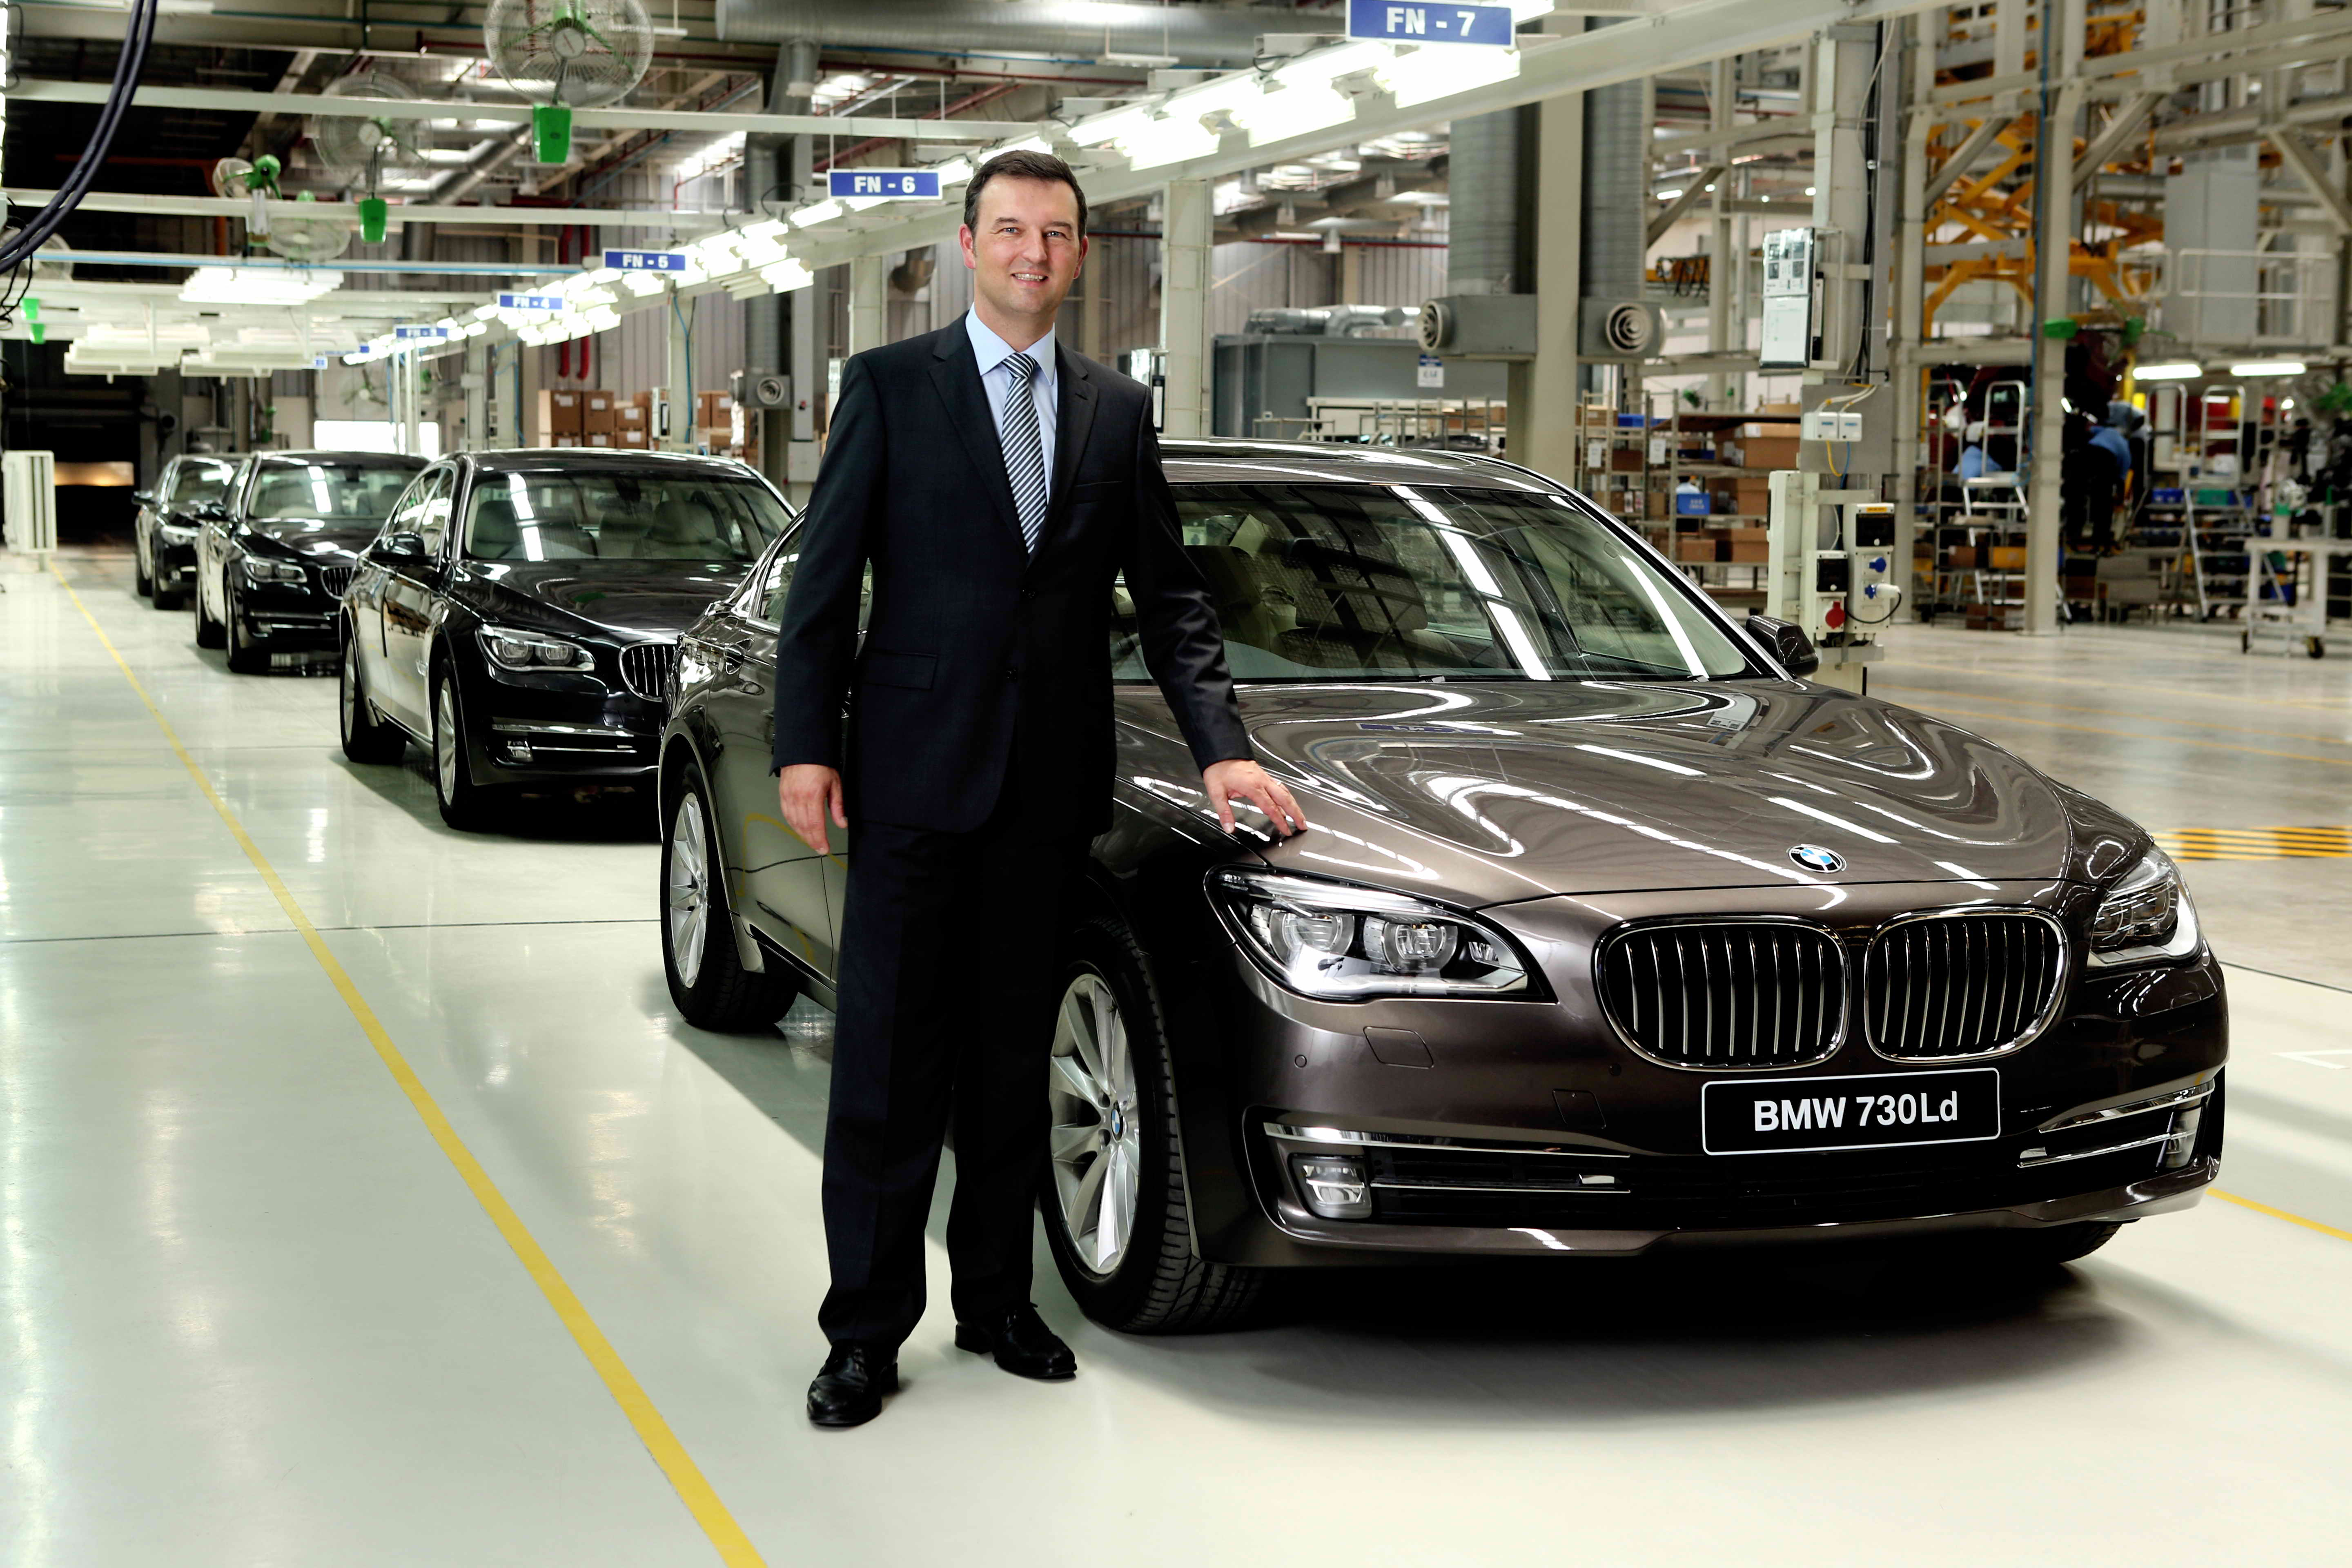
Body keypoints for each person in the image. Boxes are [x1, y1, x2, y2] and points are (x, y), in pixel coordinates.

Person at [768, 149, 1308, 1428]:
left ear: (1080, 254)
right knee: (890, 1070)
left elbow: (1171, 597)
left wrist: (1221, 742)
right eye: (1010, 230)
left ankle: (998, 1302)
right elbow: (824, 584)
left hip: (1048, 791)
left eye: (1056, 234)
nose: (1033, 253)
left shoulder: (1115, 409)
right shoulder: (889, 388)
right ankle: (864, 1333)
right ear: (968, 245)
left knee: (1012, 1058)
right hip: (911, 782)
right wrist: (805, 744)